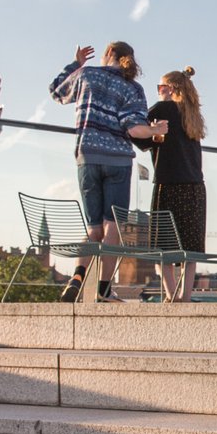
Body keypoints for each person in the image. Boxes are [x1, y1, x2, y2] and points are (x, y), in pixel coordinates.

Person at [49, 41, 166, 302]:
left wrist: (77, 63)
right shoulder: (132, 87)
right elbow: (135, 129)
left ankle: (77, 277)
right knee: (112, 228)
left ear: (108, 55)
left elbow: (56, 91)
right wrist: (157, 131)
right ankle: (103, 289)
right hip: (119, 161)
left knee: (93, 229)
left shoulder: (87, 75)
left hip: (87, 156)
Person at [139, 68, 206, 302]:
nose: (158, 92)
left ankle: (170, 295)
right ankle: (185, 297)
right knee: (189, 248)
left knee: (163, 245)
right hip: (195, 187)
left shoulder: (164, 108)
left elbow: (136, 128)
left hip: (168, 183)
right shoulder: (193, 114)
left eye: (160, 87)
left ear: (169, 89)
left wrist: (152, 132)